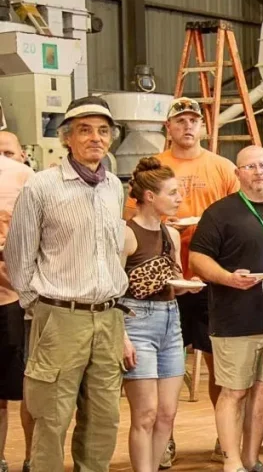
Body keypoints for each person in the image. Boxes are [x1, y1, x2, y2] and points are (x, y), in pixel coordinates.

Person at [6, 96, 129, 472]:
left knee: (104, 419)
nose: (96, 138)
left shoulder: (113, 187)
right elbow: (18, 255)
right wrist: (41, 305)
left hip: (108, 318)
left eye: (103, 131)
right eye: (85, 130)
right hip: (60, 318)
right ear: (66, 138)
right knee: (51, 418)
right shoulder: (42, 186)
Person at [123, 97, 241, 466]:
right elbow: (132, 226)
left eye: (194, 120)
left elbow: (236, 216)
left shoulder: (221, 167)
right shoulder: (155, 169)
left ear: (203, 127)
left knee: (217, 363)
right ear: (169, 128)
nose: (188, 126)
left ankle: (224, 437)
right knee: (150, 404)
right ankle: (164, 445)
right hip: (149, 299)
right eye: (180, 120)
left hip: (204, 278)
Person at [189, 146, 263, 472]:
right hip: (235, 320)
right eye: (250, 166)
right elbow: (197, 259)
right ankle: (232, 461)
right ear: (238, 173)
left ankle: (251, 458)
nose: (258, 171)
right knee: (234, 391)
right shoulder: (219, 212)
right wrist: (227, 278)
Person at [120, 157, 204, 472]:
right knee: (145, 413)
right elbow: (114, 290)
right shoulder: (126, 234)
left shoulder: (171, 234)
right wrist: (122, 336)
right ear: (150, 196)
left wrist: (188, 286)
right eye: (172, 192)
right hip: (136, 321)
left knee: (167, 413)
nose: (179, 198)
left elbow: (173, 281)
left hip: (170, 319)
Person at [0, 136, 33, 472]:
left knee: (30, 390)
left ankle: (33, 459)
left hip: (21, 301)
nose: (3, 160)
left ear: (22, 155)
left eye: (8, 153)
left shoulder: (28, 181)